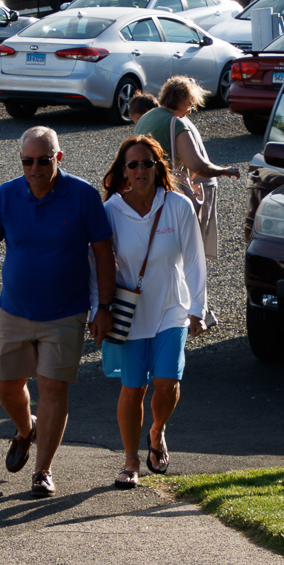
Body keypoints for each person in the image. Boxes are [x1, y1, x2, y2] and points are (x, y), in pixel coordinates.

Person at [0, 126, 116, 498]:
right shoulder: (6, 196)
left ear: (59, 158)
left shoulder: (83, 196)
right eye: (28, 161)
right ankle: (26, 429)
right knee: (7, 385)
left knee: (53, 388)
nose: (35, 167)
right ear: (20, 160)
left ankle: (43, 470)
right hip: (15, 310)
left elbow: (104, 253)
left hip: (66, 312)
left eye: (43, 160)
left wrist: (103, 308)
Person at [92, 135, 206, 489]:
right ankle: (130, 461)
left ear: (159, 167)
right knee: (133, 389)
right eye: (133, 164)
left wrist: (197, 309)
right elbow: (97, 264)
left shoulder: (178, 205)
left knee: (167, 382)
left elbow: (194, 260)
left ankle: (157, 431)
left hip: (172, 309)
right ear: (123, 171)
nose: (140, 169)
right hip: (129, 315)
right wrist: (99, 309)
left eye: (147, 163)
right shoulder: (110, 211)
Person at [134, 76, 240, 261]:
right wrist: (224, 170)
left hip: (147, 191)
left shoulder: (146, 118)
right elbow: (197, 165)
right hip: (169, 194)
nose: (190, 110)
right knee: (187, 250)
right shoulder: (176, 123)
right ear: (182, 101)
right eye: (189, 104)